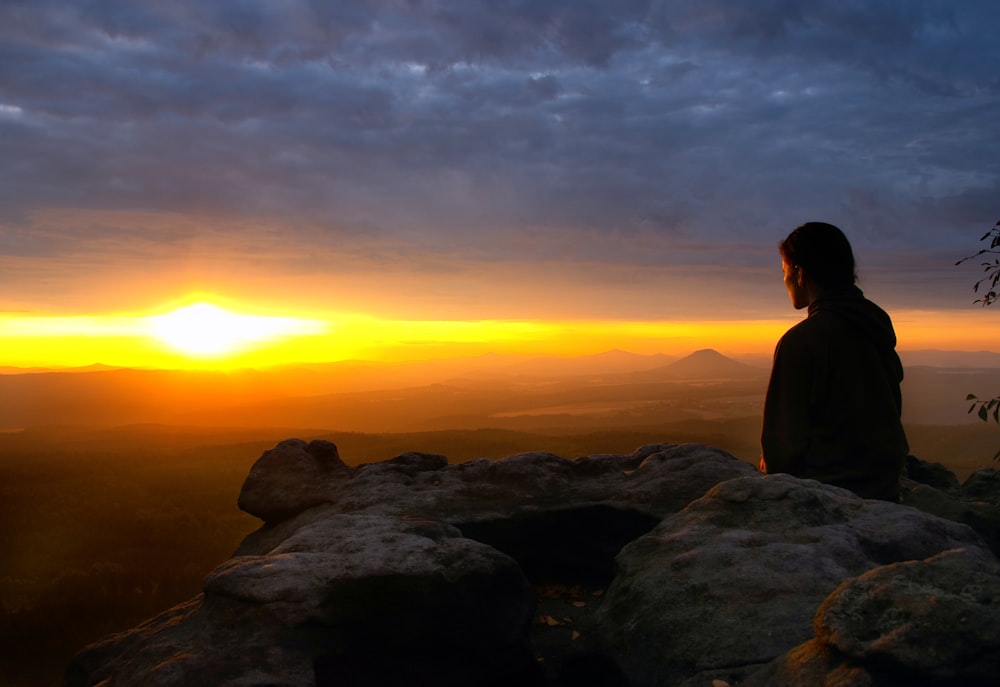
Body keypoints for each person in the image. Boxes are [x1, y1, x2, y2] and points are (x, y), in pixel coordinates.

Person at [759, 222, 908, 501]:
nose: (784, 281)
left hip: (829, 491)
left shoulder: (801, 341)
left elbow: (781, 447)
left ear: (799, 273)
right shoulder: (875, 324)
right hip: (885, 486)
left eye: (783, 271)